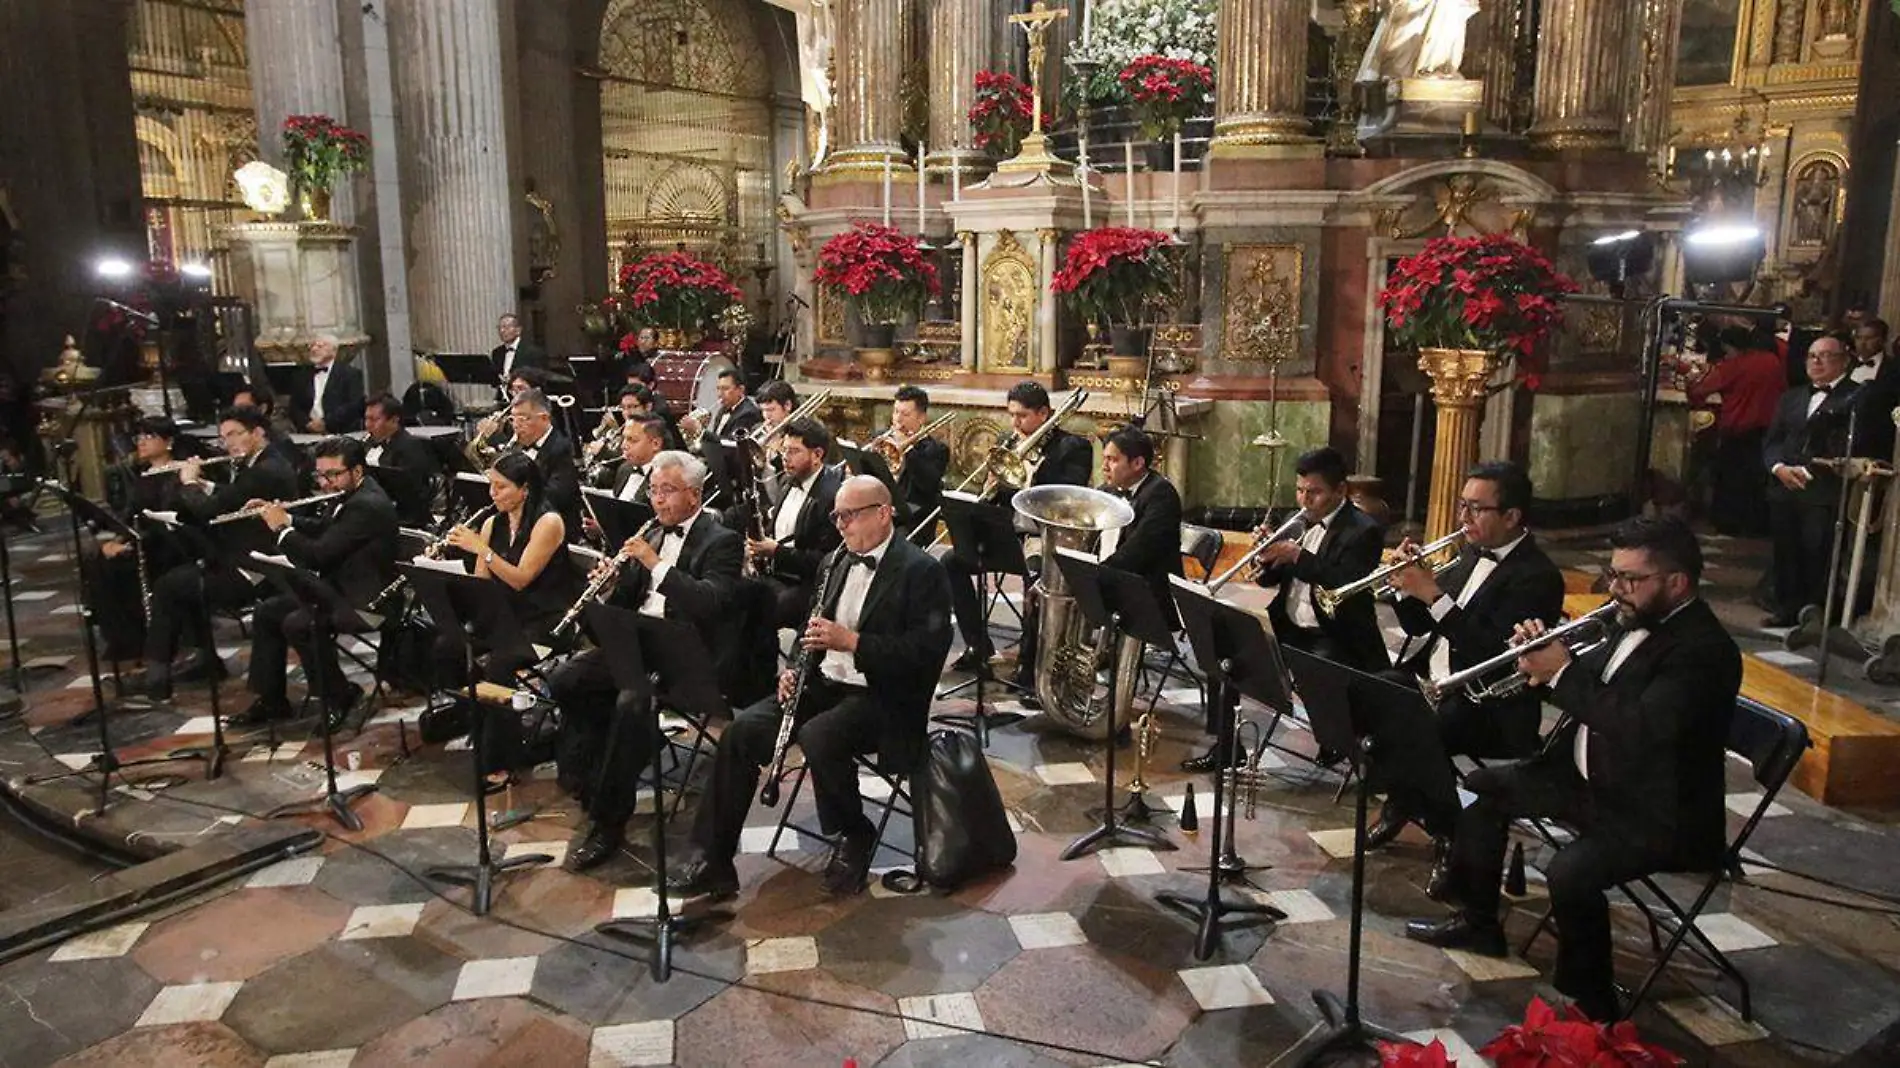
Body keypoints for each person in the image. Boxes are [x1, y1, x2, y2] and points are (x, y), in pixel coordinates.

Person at [1405, 516, 1741, 1024]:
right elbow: (1596, 687)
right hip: (1589, 779)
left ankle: (1589, 998)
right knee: (1481, 788)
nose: (1616, 589)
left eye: (1631, 579)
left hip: (1656, 810)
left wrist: (1561, 673)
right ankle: (1479, 921)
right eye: (1612, 575)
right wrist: (1540, 662)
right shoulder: (1627, 619)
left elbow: (1639, 727)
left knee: (1570, 870)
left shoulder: (1704, 651)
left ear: (1678, 583)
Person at [670, 475, 954, 900]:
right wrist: (797, 668)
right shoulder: (834, 561)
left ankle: (854, 832)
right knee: (740, 733)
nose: (840, 525)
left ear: (883, 512)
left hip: (887, 696)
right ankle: (712, 856)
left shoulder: (922, 570)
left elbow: (926, 653)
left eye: (850, 515)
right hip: (826, 682)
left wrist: (854, 643)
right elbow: (812, 629)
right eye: (837, 516)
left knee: (819, 735)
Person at [551, 450, 751, 871]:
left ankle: (608, 821)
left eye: (667, 491)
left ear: (694, 496)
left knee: (632, 704)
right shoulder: (653, 533)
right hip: (636, 642)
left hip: (687, 654)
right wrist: (606, 586)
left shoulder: (722, 541)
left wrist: (654, 563)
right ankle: (596, 776)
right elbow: (626, 603)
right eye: (653, 491)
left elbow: (709, 603)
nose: (657, 501)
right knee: (567, 678)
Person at [1377, 460, 1566, 891]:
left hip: (1489, 705)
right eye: (1462, 505)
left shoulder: (1538, 577)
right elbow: (1419, 626)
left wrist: (1433, 593)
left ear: (1512, 517)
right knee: (1372, 696)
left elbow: (1495, 654)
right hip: (1438, 683)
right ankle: (1405, 804)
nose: (1463, 518)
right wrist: (1404, 587)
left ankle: (1447, 835)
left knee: (1417, 734)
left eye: (1476, 509)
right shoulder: (1468, 554)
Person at [1185, 446, 1387, 771]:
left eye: (1315, 492)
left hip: (1335, 635)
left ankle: (1337, 739)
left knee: (1317, 668)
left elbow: (1343, 582)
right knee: (1224, 646)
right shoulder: (1300, 522)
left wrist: (1296, 556)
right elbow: (1270, 583)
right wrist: (1267, 559)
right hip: (1289, 625)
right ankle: (1227, 746)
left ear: (1341, 490)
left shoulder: (1363, 531)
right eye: (1300, 490)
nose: (1305, 500)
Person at [236, 437, 397, 731]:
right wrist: (287, 517)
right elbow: (326, 531)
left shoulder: (366, 505)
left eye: (333, 474)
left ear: (357, 471)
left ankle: (339, 695)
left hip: (368, 601)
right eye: (320, 475)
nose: (325, 482)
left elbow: (318, 556)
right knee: (267, 612)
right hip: (339, 589)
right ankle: (272, 700)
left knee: (300, 623)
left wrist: (282, 529)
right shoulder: (349, 496)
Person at [140, 406, 300, 700]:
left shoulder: (267, 469)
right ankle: (199, 660)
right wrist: (206, 484)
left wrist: (189, 483)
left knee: (170, 587)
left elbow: (210, 511)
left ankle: (159, 678)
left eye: (234, 434)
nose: (228, 443)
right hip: (239, 555)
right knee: (177, 581)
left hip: (258, 566)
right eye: (223, 437)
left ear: (258, 433)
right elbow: (232, 495)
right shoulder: (259, 463)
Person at [944, 381, 1092, 685]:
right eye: (1011, 415)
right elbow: (996, 499)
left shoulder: (1072, 447)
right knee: (950, 562)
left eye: (1022, 416)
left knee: (1036, 581)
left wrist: (1027, 469)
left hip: (1043, 540)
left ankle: (1030, 663)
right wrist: (990, 486)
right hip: (1006, 535)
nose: (1015, 423)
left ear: (1043, 414)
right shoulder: (1008, 441)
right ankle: (978, 645)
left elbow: (1066, 498)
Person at [440, 452, 579, 684]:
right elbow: (481, 586)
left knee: (499, 664)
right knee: (446, 646)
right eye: (491, 485)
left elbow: (521, 579)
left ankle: (502, 717)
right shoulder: (491, 523)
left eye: (501, 487)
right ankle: (469, 712)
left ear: (524, 490)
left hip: (543, 621)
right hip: (504, 615)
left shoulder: (548, 522)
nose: (492, 493)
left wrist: (482, 550)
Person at [1762, 335, 1861, 626]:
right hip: (1783, 487)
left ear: (1844, 360)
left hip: (1822, 490)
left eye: (1825, 356)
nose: (1815, 362)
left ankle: (1814, 613)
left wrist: (1808, 472)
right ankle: (1786, 609)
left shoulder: (1856, 396)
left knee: (1817, 552)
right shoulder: (1792, 396)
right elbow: (1773, 440)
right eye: (1811, 356)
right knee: (1785, 550)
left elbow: (1851, 444)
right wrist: (1778, 467)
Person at [82, 416, 186, 664]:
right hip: (141, 539)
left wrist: (129, 544)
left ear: (168, 441)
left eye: (149, 437)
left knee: (114, 566)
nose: (142, 442)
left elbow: (168, 518)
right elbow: (129, 517)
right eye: (139, 437)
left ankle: (136, 638)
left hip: (167, 544)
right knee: (95, 558)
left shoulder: (178, 472)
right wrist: (115, 539)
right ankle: (120, 636)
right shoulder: (143, 475)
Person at [738, 416, 843, 627]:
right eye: (784, 450)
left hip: (807, 584)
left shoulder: (833, 495)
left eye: (794, 451)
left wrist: (776, 551)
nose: (785, 457)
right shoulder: (788, 480)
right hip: (777, 573)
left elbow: (825, 562)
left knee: (765, 611)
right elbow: (775, 529)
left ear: (817, 455)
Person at [1684, 323, 1783, 537]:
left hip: (1739, 427)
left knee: (1731, 480)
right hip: (1768, 428)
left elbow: (1699, 392)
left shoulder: (1733, 366)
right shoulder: (1771, 361)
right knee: (1757, 481)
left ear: (1728, 346)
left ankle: (1729, 524)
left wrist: (1690, 380)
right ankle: (1756, 526)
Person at [504, 389, 581, 537]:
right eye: (513, 419)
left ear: (544, 418)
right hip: (522, 526)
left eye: (523, 418)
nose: (516, 425)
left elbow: (556, 496)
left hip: (555, 531)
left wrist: (516, 496)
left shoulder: (563, 448)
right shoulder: (515, 447)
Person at [361, 392, 441, 525]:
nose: (368, 425)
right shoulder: (366, 444)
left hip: (400, 517)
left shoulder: (410, 447)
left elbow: (413, 494)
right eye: (366, 419)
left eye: (374, 419)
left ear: (394, 420)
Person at [887, 384, 949, 545]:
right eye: (895, 412)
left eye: (905, 414)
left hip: (912, 522)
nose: (897, 419)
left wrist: (906, 449)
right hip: (883, 513)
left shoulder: (936, 450)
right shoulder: (884, 440)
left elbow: (927, 484)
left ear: (921, 418)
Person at [290, 335, 366, 435]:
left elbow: (355, 405)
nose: (314, 349)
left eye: (320, 346)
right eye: (312, 346)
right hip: (308, 433)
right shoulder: (302, 375)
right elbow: (294, 405)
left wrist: (325, 423)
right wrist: (307, 423)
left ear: (334, 352)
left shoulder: (350, 374)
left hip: (341, 432)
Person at [1851, 317, 1898, 461]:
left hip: (1877, 444)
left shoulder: (1895, 369)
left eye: (1869, 338)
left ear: (1883, 340)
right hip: (1844, 443)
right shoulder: (1844, 365)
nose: (1863, 343)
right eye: (1859, 338)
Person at [685, 369, 761, 446]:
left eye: (725, 388)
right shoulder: (723, 409)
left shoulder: (748, 413)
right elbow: (717, 438)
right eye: (718, 388)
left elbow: (731, 444)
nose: (719, 394)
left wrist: (700, 431)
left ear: (740, 390)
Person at [491, 312, 545, 386]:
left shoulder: (533, 352)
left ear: (518, 330)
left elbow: (540, 379)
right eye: (499, 328)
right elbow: (494, 381)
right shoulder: (497, 353)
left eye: (506, 327)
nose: (502, 331)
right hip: (503, 395)